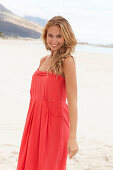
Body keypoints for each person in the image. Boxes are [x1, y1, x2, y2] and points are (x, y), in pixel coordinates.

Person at [16, 15, 79, 170]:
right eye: (50, 35)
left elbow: (72, 101)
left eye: (59, 36)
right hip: (34, 121)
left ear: (66, 37)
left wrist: (73, 138)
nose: (54, 40)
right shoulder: (44, 60)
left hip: (54, 125)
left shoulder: (67, 61)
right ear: (45, 36)